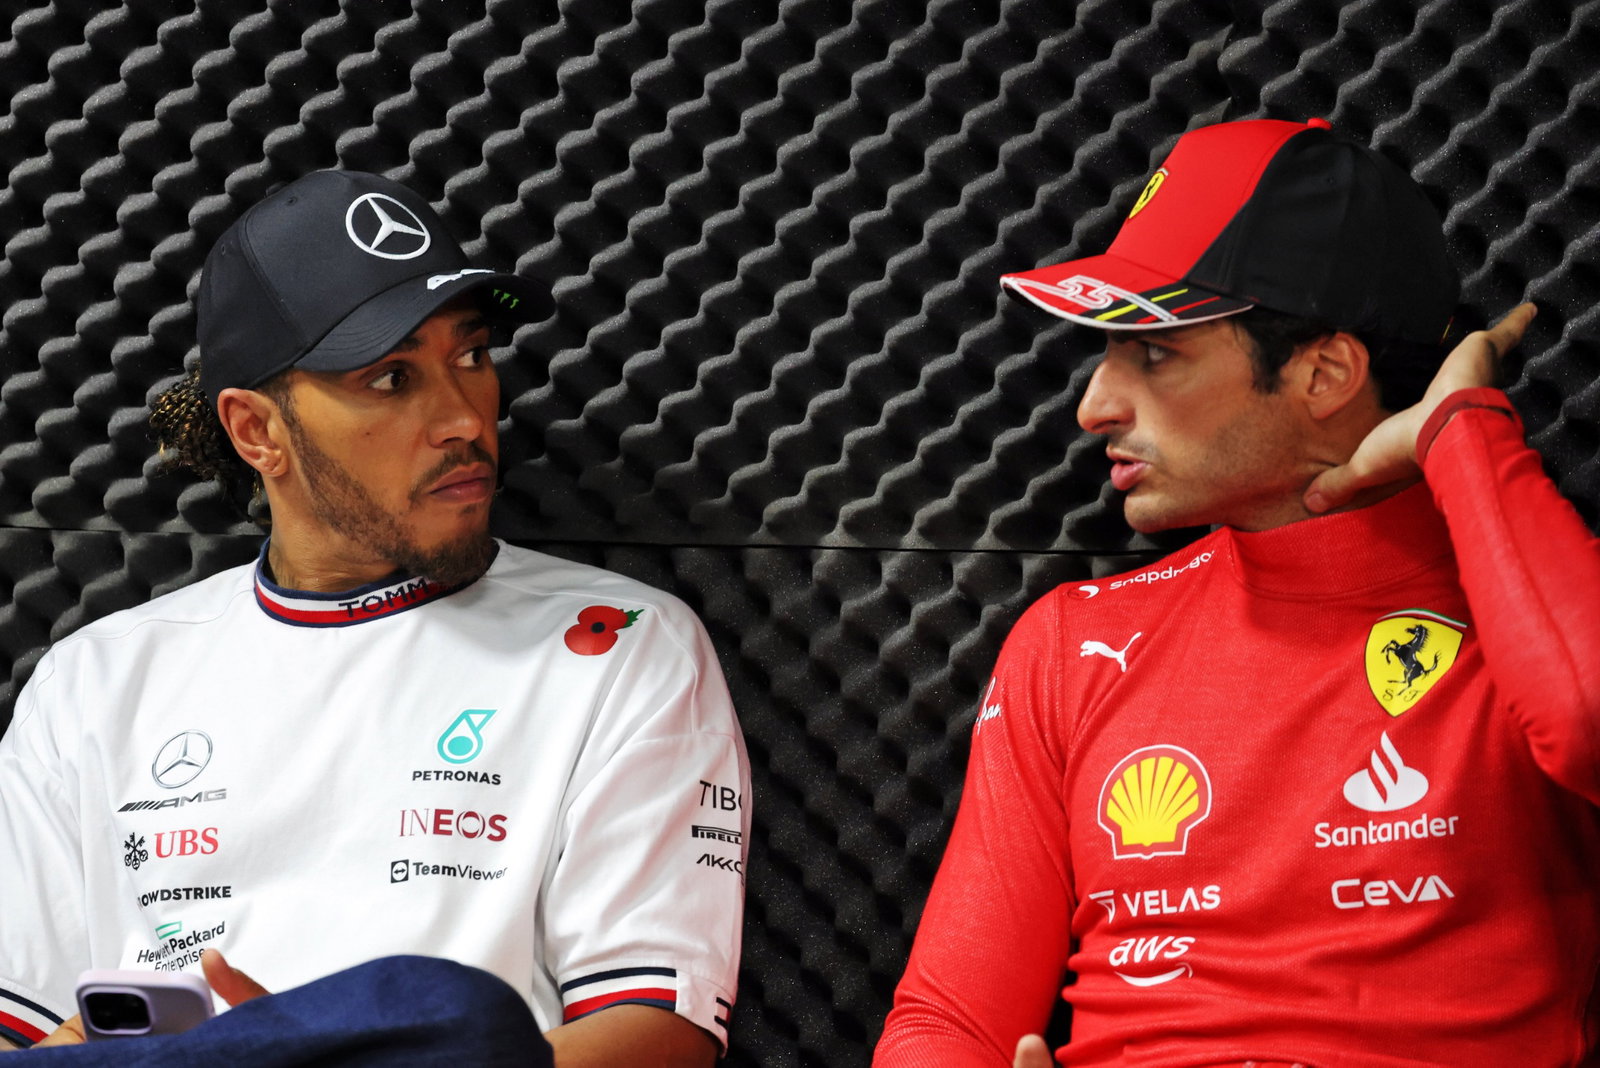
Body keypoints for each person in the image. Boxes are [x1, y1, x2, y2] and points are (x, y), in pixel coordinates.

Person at [875, 118, 1600, 1066]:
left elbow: (1584, 715)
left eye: (1157, 352)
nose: (1095, 405)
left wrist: (1462, 430)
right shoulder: (1073, 643)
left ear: (1324, 373)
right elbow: (948, 1024)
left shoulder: (1533, 608)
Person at [0, 169, 751, 1066]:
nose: (465, 418)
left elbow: (662, 1037)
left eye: (470, 356)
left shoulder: (622, 643)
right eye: (392, 377)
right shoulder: (92, 684)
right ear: (255, 431)